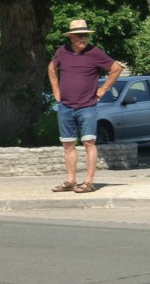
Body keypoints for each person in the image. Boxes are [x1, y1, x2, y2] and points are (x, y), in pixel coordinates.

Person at [48, 19, 123, 193]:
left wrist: (103, 89)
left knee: (89, 142)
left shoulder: (94, 53)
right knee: (68, 145)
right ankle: (70, 181)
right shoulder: (63, 51)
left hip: (87, 105)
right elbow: (51, 68)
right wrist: (55, 90)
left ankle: (89, 182)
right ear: (71, 37)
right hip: (65, 106)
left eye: (86, 35)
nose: (84, 39)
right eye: (80, 35)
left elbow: (116, 68)